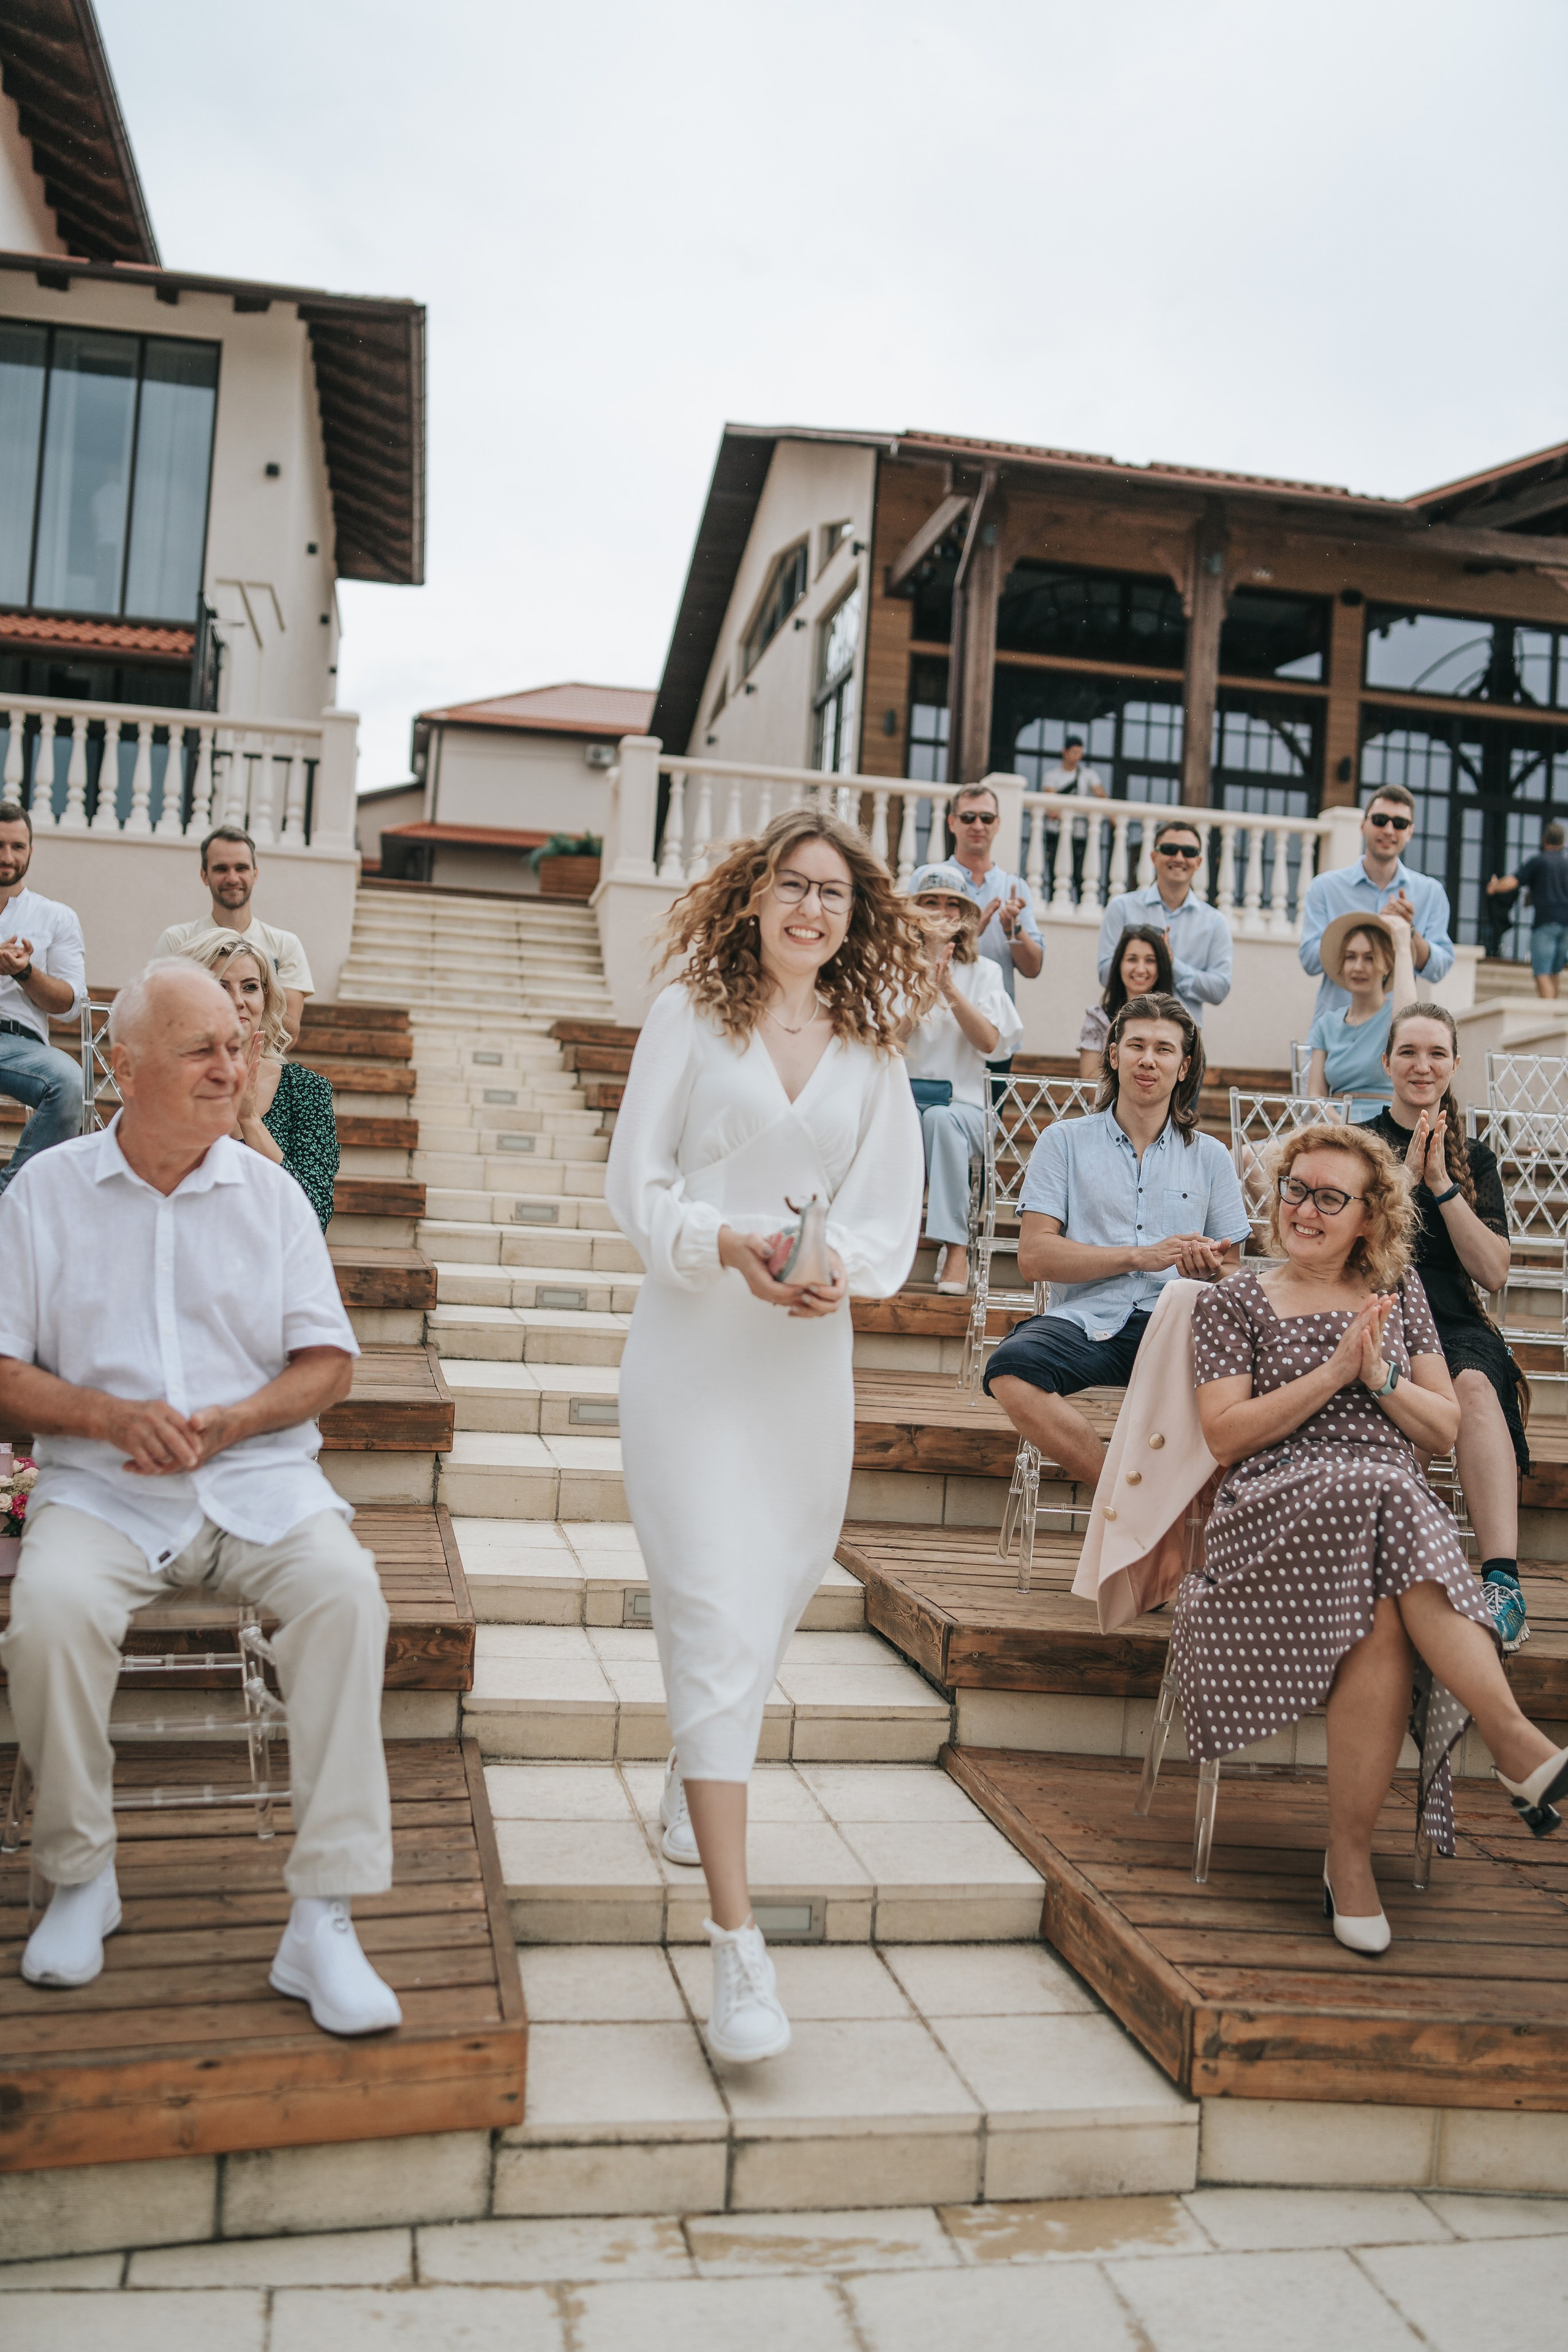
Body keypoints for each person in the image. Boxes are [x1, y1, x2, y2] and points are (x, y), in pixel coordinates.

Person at [0, 961, 400, 2033]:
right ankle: (84, 1876)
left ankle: (323, 1918)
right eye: (203, 1049)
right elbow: (1, 1371)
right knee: (48, 1616)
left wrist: (233, 1421)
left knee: (347, 1596)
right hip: (101, 1489)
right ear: (122, 1069)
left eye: (238, 1043)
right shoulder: (46, 1193)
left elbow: (329, 1364)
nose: (234, 1067)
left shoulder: (270, 1196)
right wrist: (104, 1415)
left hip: (259, 1481)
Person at [606, 809, 926, 2067]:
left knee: (774, 1590)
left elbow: (887, 1210)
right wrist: (718, 1248)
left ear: (855, 920)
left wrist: (831, 1269)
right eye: (790, 886)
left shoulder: (872, 1047)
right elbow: (635, 1185)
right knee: (708, 1608)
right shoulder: (691, 1013)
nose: (809, 909)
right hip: (690, 1354)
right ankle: (737, 1949)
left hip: (803, 1363)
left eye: (831, 896)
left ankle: (697, 1754)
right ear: (753, 897)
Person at [1181, 1121, 1566, 1952]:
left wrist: (1380, 1372)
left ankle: (1349, 1859)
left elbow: (1442, 1428)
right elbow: (1225, 1437)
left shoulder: (1402, 1299)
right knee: (1385, 1487)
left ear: (1369, 1217)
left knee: (1384, 1603)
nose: (1305, 1209)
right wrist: (1333, 1373)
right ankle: (1509, 1737)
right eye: (1296, 1189)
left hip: (1380, 1534)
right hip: (1269, 1524)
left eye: (1330, 1197)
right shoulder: (1233, 1302)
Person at [983, 992, 1251, 1494]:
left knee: (1254, 1386)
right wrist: (1138, 1257)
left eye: (1164, 1049)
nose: (1149, 1060)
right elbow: (1034, 1256)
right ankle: (1128, 1501)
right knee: (1010, 1370)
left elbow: (1236, 1269)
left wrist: (1210, 1269)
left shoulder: (1212, 1157)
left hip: (1178, 1328)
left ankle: (1205, 1529)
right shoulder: (1062, 1142)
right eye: (1137, 1045)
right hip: (1088, 1323)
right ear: (1114, 1055)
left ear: (1184, 1064)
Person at [1368, 1002, 1531, 1653]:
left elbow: (1492, 1271)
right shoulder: (1361, 1143)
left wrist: (1439, 1181)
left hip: (1453, 1317)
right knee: (1391, 1391)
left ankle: (1501, 1581)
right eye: (1408, 1051)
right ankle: (1389, 1570)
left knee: (1473, 1385)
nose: (1421, 1065)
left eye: (1436, 1053)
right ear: (1386, 1061)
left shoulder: (1477, 1158)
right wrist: (1404, 1176)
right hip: (1379, 1309)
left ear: (1454, 1065)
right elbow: (1363, 1256)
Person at [902, 861, 1022, 1294]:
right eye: (930, 902)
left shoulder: (985, 973)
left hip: (965, 1109)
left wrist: (950, 990)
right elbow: (884, 1043)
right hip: (901, 1105)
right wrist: (921, 991)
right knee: (913, 1121)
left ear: (964, 916)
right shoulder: (893, 967)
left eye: (952, 904)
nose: (941, 911)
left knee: (941, 1121)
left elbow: (992, 1044)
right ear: (914, 910)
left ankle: (955, 1249)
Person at [176, 929, 339, 1229]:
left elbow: (313, 1213)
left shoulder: (306, 1090)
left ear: (265, 997)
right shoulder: (173, 1084)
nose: (238, 1000)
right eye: (220, 987)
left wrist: (250, 1119)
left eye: (250, 987)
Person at [1300, 783, 1453, 1021]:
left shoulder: (1431, 892)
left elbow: (1439, 969)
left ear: (1410, 832)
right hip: (1338, 1029)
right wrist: (1361, 928)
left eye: (1400, 823)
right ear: (1363, 826)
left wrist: (1408, 931)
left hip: (1395, 1031)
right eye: (1380, 820)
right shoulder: (1325, 887)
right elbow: (1310, 961)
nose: (1389, 830)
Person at [153, 826, 314, 1041]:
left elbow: (289, 1033)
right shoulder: (177, 940)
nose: (232, 878)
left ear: (255, 874)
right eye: (221, 869)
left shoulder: (286, 944)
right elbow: (163, 1016)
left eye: (241, 868)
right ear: (204, 875)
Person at [0, 797, 87, 1194]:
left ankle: (11, 1198)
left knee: (70, 1082)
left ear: (31, 851)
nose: (7, 856)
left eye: (17, 846)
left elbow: (69, 1006)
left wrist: (25, 972)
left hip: (21, 1047)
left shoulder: (56, 916)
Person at [1098, 816, 1232, 1030]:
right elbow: (1106, 974)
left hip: (1185, 1039)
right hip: (1128, 1033)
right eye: (1170, 849)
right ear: (1154, 857)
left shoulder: (1215, 922)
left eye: (1189, 852)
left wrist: (1171, 964)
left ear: (1198, 862)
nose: (1179, 857)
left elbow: (1219, 990)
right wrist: (1144, 962)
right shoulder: (1122, 907)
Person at [1304, 910, 1417, 1120]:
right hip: (1334, 1130)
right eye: (1350, 957)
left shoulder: (1394, 1018)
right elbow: (1315, 1095)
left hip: (1384, 1127)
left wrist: (1402, 947)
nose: (1358, 967)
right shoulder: (1327, 1024)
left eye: (1369, 958)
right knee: (1248, 1153)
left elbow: (1410, 1026)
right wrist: (1343, 1128)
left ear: (1387, 965)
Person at [1078, 924, 1175, 1077]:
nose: (1141, 969)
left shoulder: (1176, 1022)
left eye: (1150, 961)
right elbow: (1090, 1083)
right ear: (1119, 965)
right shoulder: (1099, 1019)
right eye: (1132, 959)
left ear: (1162, 966)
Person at [1485, 820, 1568, 998]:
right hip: (1566, 925)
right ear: (1563, 842)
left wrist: (1494, 887)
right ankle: (1554, 1015)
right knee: (1554, 972)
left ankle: (1548, 1018)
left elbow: (1513, 881)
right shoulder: (1566, 864)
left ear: (1544, 840)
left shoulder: (1539, 861)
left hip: (1545, 923)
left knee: (1542, 972)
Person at [1039, 734, 1108, 898]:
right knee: (1056, 872)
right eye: (1074, 752)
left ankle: (1079, 903)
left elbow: (1101, 794)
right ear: (1064, 752)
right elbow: (1051, 808)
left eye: (1080, 752)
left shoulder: (1088, 775)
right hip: (1056, 832)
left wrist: (1110, 812)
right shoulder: (1052, 776)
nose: (1077, 756)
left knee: (1080, 874)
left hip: (1079, 832)